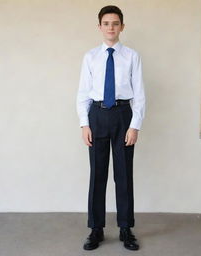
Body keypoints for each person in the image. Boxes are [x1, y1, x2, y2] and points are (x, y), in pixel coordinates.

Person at [76, 5, 145, 251]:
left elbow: (139, 94)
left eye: (115, 23)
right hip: (97, 115)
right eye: (106, 23)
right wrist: (85, 124)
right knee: (98, 174)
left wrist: (134, 125)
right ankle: (96, 228)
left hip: (123, 114)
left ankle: (126, 228)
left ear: (122, 27)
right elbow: (83, 93)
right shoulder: (90, 57)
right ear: (99, 27)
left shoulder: (132, 57)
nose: (111, 28)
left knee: (123, 175)